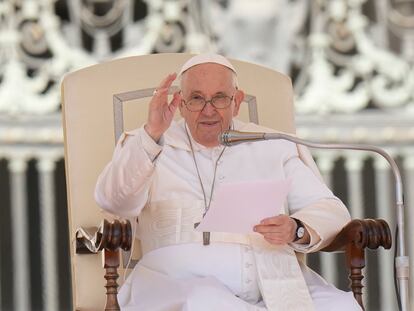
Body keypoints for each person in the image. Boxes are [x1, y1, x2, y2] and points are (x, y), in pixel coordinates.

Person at [95, 53, 362, 311]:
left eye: (220, 98)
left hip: (271, 280)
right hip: (177, 281)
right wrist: (152, 132)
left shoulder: (272, 144)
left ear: (237, 101)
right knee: (204, 301)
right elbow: (114, 200)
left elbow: (329, 208)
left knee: (341, 305)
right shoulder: (149, 145)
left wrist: (297, 229)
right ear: (181, 103)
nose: (208, 110)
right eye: (197, 98)